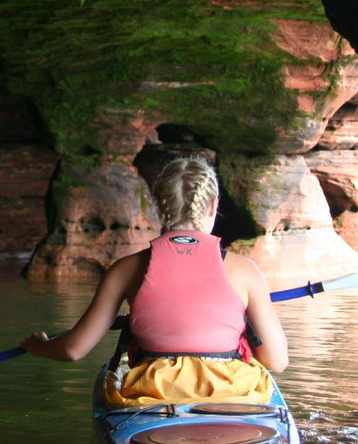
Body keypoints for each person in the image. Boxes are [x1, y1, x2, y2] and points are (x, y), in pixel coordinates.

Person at [22, 155, 288, 406]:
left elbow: (73, 350)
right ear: (214, 205)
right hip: (230, 394)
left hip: (153, 394)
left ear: (158, 204)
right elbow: (276, 361)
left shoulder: (125, 270)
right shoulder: (245, 271)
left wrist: (40, 346)